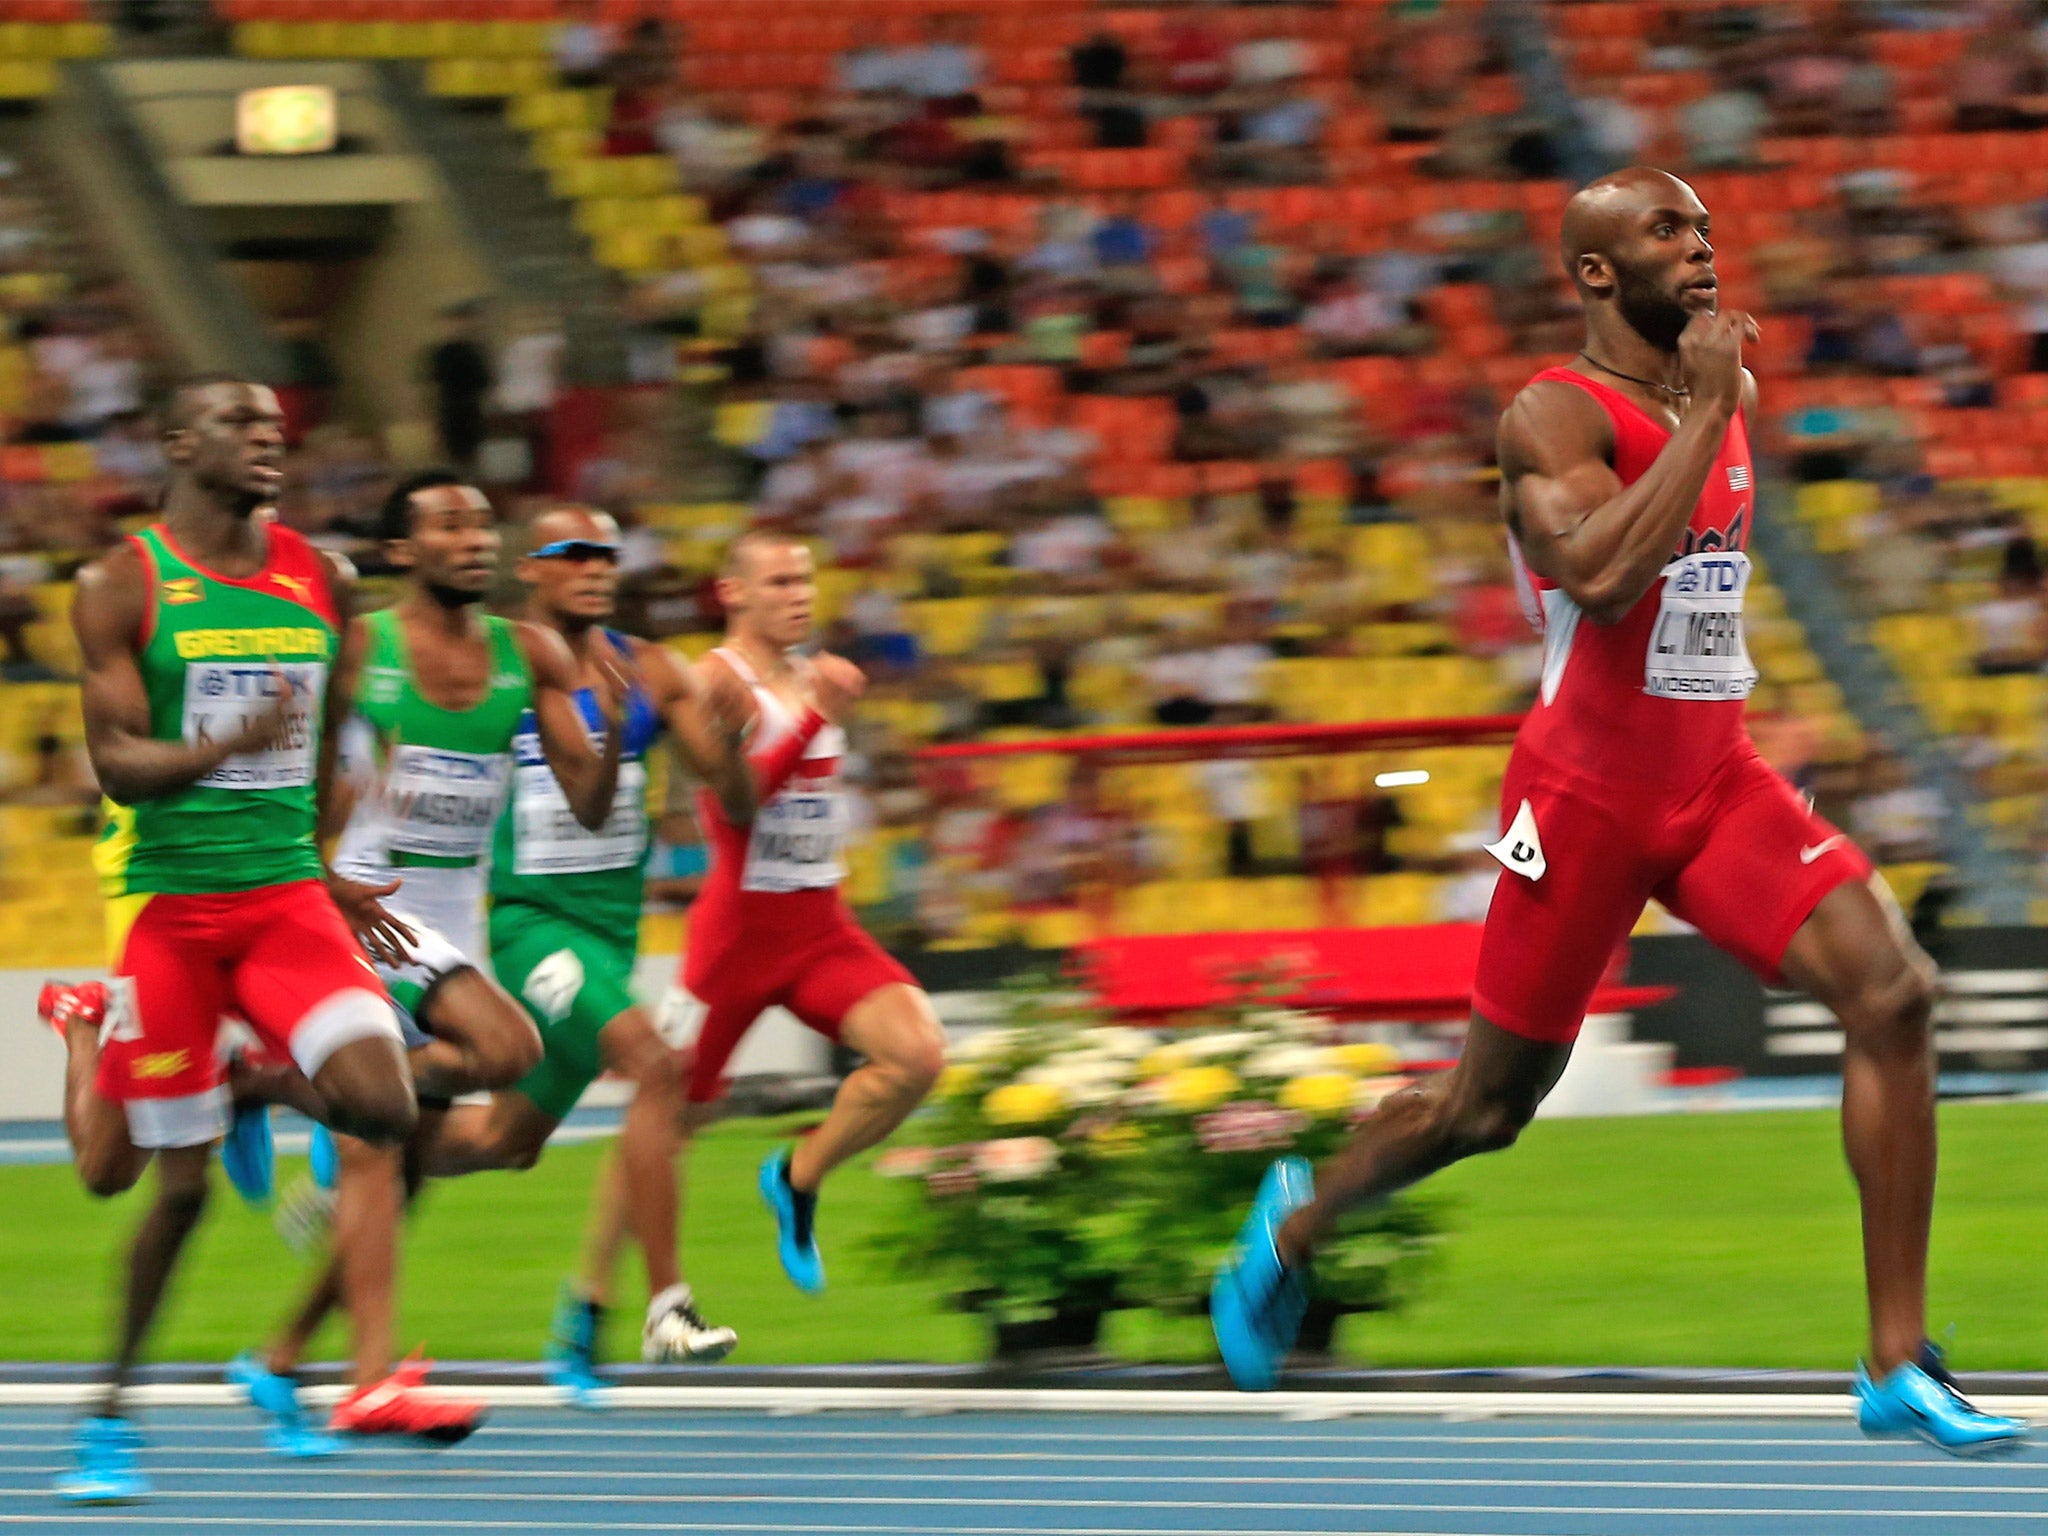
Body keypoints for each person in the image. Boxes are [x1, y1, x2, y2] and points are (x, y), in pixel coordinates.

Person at [1210, 168, 2027, 1458]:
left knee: (1894, 995)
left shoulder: (1728, 394)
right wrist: (1703, 410)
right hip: (1580, 800)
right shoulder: (1548, 414)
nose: (1701, 248)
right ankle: (1296, 1223)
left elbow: (1697, 592)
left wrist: (1710, 406)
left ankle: (1893, 1362)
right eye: (1666, 231)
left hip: (1713, 779)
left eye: (1702, 227)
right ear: (1595, 272)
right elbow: (1592, 576)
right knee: (1485, 1111)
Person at [43, 376, 419, 1502]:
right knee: (159, 1188)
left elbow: (330, 742)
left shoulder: (326, 579)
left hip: (281, 898)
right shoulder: (122, 584)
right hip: (175, 911)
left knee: (386, 1106)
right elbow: (116, 764)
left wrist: (328, 869)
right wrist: (227, 744)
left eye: (276, 427)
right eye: (241, 425)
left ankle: (247, 1077)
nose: (269, 441)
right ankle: (110, 1414)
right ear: (177, 444)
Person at [234, 471, 631, 1444]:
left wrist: (610, 724)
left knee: (427, 1136)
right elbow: (297, 768)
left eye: (483, 524)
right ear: (402, 551)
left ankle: (279, 1348)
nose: (472, 539)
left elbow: (584, 800)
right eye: (447, 524)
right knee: (415, 1124)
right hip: (365, 907)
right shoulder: (361, 643)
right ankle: (370, 1380)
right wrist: (317, 880)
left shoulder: (525, 650)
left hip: (449, 920)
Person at [379, 505, 754, 1388]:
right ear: (532, 571)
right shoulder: (496, 665)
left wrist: (732, 742)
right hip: (526, 927)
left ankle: (368, 1129)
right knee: (658, 1070)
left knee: (508, 1142)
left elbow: (734, 802)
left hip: (611, 937)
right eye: (573, 553)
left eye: (608, 554)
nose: (595, 567)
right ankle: (666, 1307)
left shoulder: (653, 670)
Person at [579, 529, 946, 1301]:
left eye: (805, 581)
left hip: (820, 927)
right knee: (667, 1122)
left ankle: (797, 1175)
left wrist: (824, 712)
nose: (799, 596)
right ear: (732, 593)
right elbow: (734, 806)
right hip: (736, 938)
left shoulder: (818, 675)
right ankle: (588, 1301)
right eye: (778, 582)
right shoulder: (713, 681)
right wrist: (815, 718)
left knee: (917, 1057)